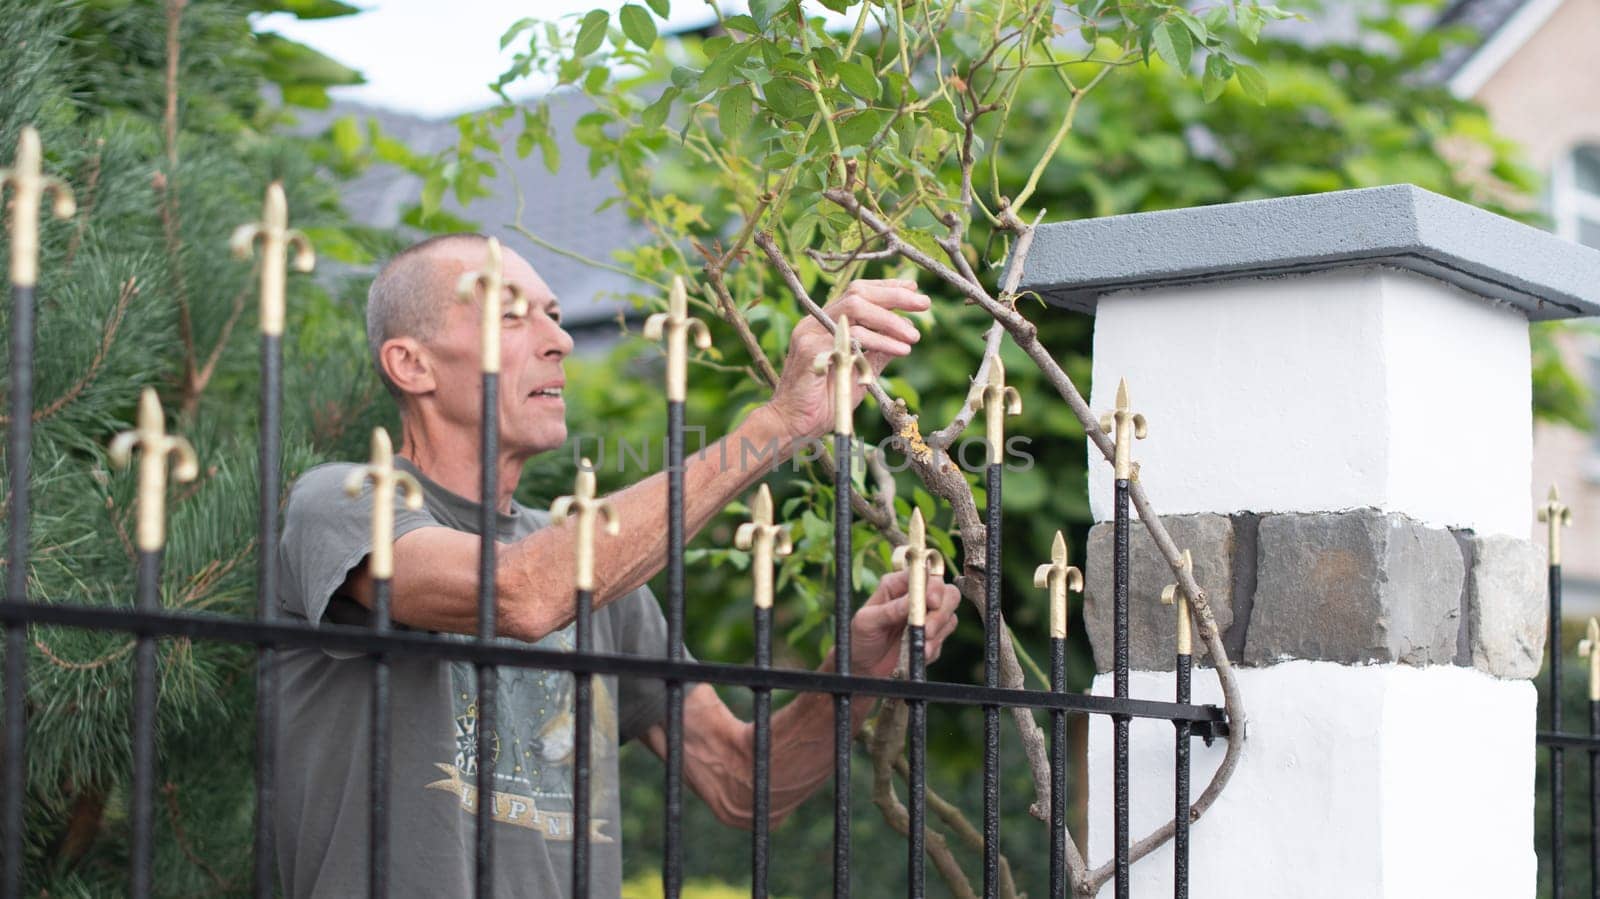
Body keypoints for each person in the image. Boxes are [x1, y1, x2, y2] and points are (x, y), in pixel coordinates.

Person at [272, 233, 961, 898]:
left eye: (553, 314)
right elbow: (522, 592)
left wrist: (862, 667)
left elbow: (744, 784)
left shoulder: (604, 576)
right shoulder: (343, 502)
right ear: (411, 364)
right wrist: (776, 426)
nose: (560, 340)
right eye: (511, 314)